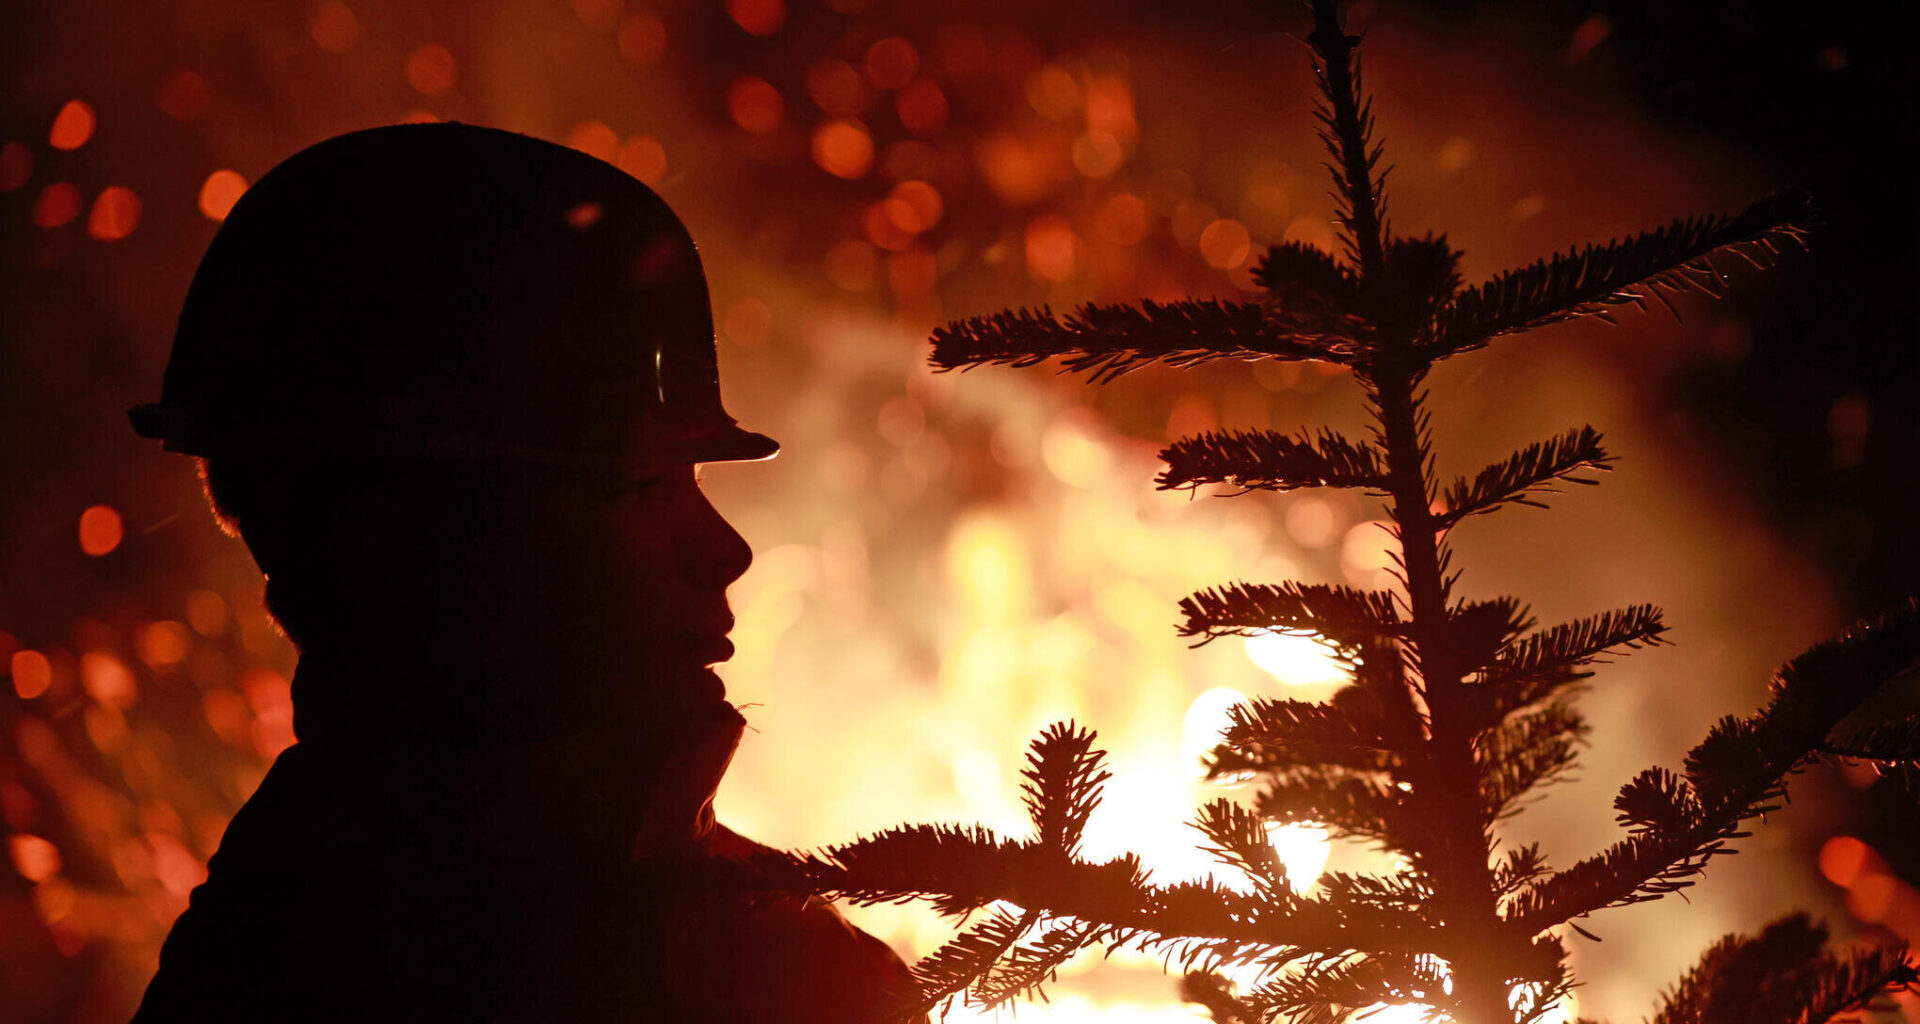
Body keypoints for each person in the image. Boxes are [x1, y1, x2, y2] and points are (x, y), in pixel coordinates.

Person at [127, 123, 920, 1022]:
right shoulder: (746, 974)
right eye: (639, 486)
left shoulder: (264, 931)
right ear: (447, 538)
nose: (725, 551)